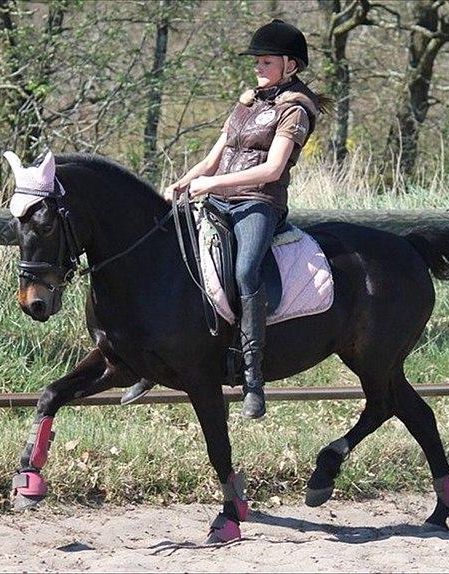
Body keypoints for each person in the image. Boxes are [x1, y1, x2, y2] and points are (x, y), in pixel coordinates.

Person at [121, 19, 328, 418]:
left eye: (266, 62)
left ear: (291, 66)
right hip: (217, 199)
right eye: (257, 62)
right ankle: (149, 359)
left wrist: (213, 185)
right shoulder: (248, 102)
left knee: (247, 271)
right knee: (172, 258)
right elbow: (215, 156)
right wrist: (184, 181)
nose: (258, 68)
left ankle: (253, 376)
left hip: (258, 204)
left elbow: (271, 170)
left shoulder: (296, 111)